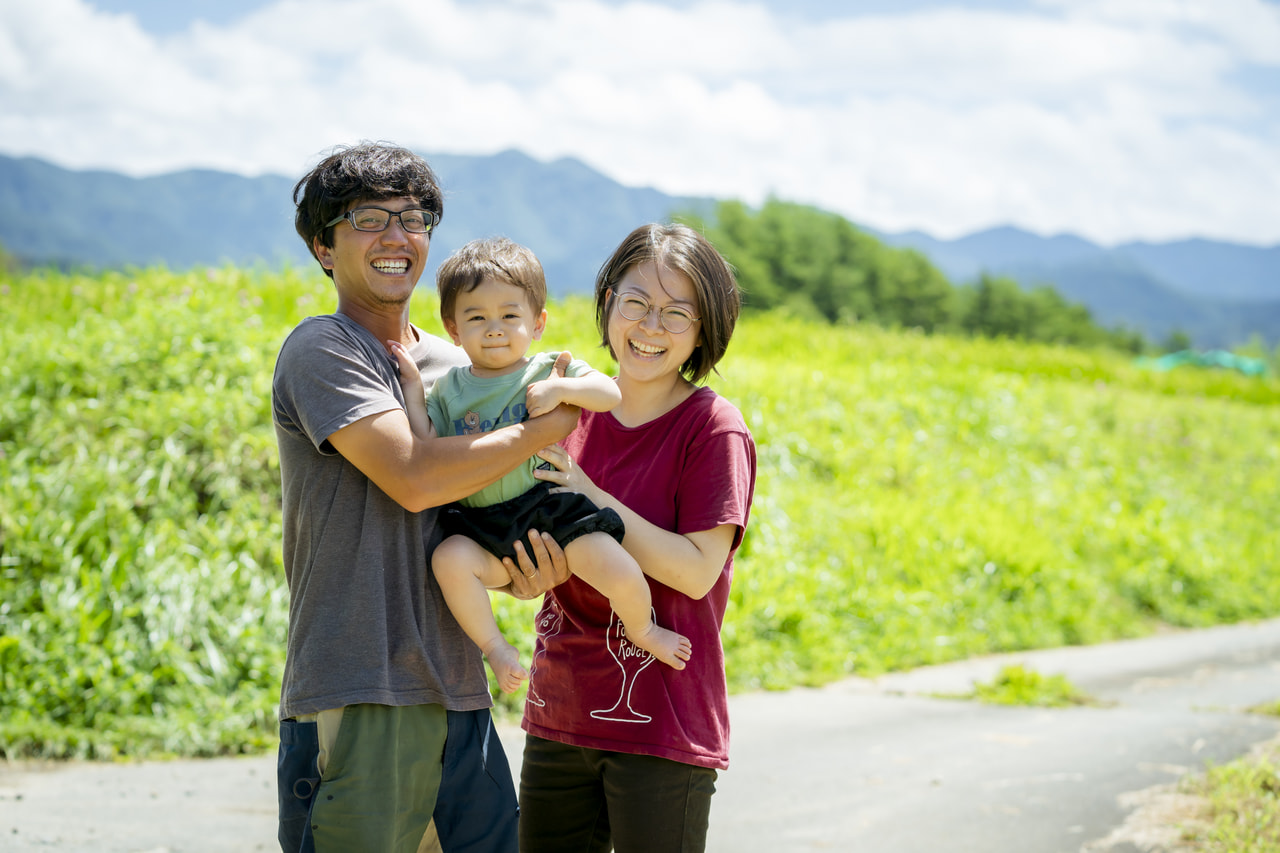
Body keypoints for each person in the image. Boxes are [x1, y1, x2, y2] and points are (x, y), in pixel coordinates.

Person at [272, 141, 574, 853]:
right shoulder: (325, 349)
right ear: (324, 247)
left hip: (460, 686)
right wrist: (546, 426)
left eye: (413, 217)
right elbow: (415, 478)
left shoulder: (461, 363)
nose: (396, 236)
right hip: (360, 686)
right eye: (368, 218)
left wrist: (516, 569)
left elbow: (478, 504)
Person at [516, 223, 758, 853]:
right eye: (637, 304)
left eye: (678, 313)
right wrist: (525, 572)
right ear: (608, 304)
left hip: (663, 719)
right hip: (560, 709)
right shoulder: (567, 408)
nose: (652, 327)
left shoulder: (712, 429)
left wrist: (592, 496)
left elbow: (696, 570)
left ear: (706, 330)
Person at [390, 237, 693, 696]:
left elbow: (609, 395)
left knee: (619, 567)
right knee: (449, 560)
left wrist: (561, 392)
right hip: (480, 524)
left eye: (510, 316)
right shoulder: (450, 388)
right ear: (453, 329)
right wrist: (414, 392)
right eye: (477, 318)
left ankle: (642, 629)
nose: (495, 329)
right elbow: (427, 443)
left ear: (538, 323)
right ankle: (495, 647)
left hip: (548, 508)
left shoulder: (548, 368)